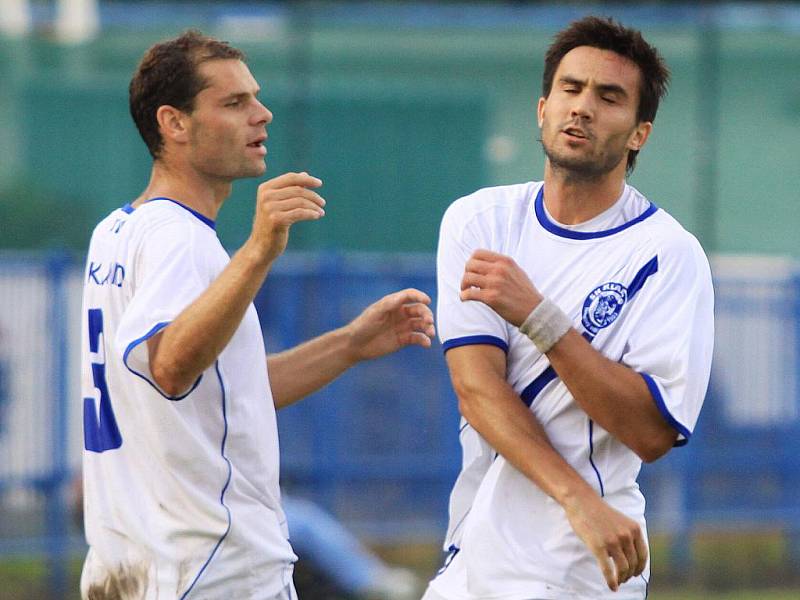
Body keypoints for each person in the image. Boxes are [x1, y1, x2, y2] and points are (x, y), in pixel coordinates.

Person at [79, 30, 435, 600]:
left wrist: (348, 343)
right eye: (235, 103)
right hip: (213, 566)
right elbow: (173, 367)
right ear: (173, 123)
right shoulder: (182, 238)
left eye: (256, 98)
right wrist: (259, 249)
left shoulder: (117, 230)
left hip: (136, 563)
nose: (262, 115)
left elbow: (221, 390)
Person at [424, 16, 714, 600]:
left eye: (609, 98)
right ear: (542, 107)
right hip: (472, 555)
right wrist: (576, 498)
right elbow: (476, 389)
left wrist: (539, 316)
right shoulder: (479, 221)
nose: (581, 108)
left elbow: (652, 432)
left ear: (640, 133)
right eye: (570, 89)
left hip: (581, 568)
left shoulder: (666, 254)